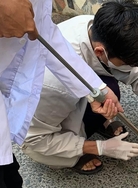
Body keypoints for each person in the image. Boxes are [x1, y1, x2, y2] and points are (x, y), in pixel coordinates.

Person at [22, 0, 138, 175]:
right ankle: (76, 153)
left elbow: (137, 71)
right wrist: (100, 147)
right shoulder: (53, 84)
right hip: (40, 122)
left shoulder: (102, 28)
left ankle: (96, 124)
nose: (131, 69)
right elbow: (34, 139)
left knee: (111, 89)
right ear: (100, 52)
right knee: (55, 148)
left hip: (67, 91)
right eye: (126, 63)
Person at [0, 0, 126, 187]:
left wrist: (97, 90)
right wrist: (100, 147)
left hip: (14, 82)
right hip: (33, 99)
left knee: (9, 176)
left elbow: (45, 34)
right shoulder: (51, 88)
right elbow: (33, 140)